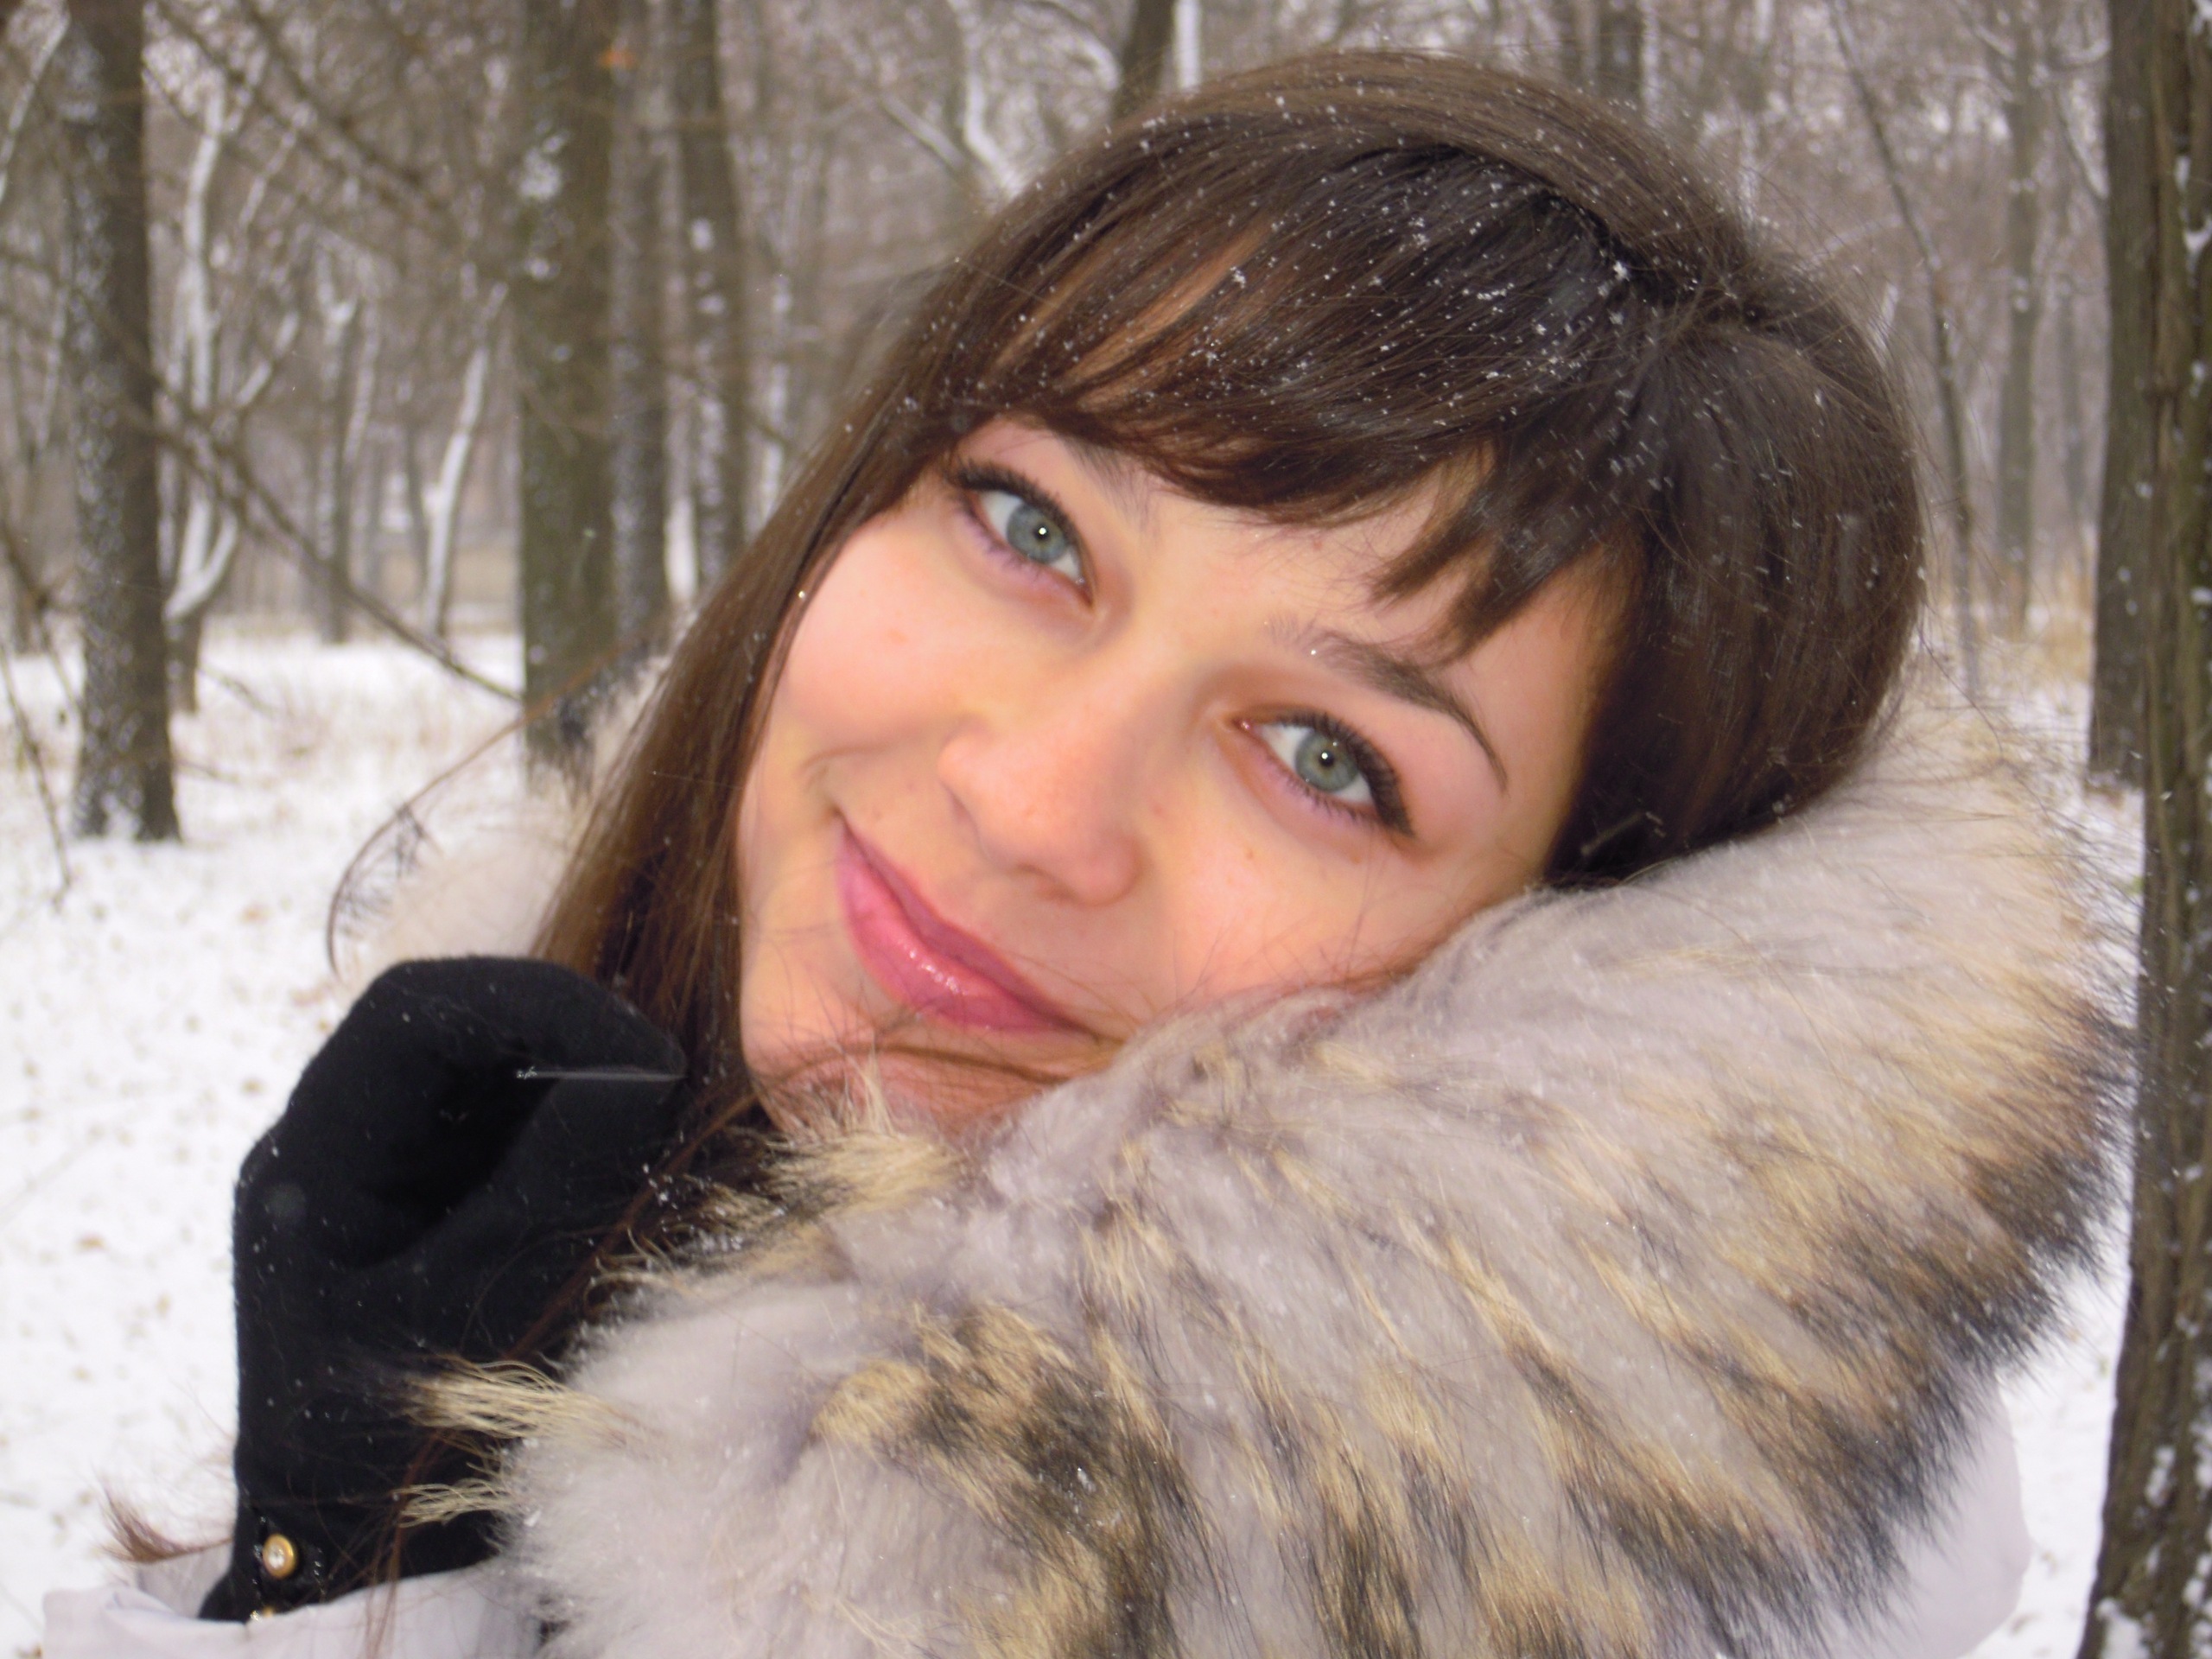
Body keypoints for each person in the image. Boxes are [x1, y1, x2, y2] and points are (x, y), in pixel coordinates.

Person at [45, 48, 2113, 1659]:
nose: (1029, 803)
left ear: (1585, 980)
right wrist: (360, 1576)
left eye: (1323, 757)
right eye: (1031, 530)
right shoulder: (589, 1138)